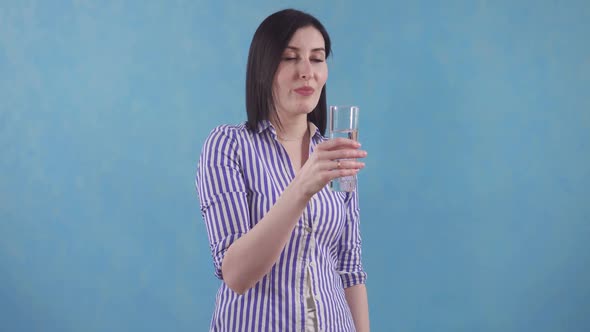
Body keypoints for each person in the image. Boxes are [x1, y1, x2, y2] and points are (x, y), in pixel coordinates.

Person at [195, 8, 369, 332]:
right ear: (264, 68)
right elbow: (236, 274)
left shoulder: (332, 153)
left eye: (317, 59)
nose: (307, 71)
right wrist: (301, 187)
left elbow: (350, 269)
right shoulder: (228, 146)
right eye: (290, 58)